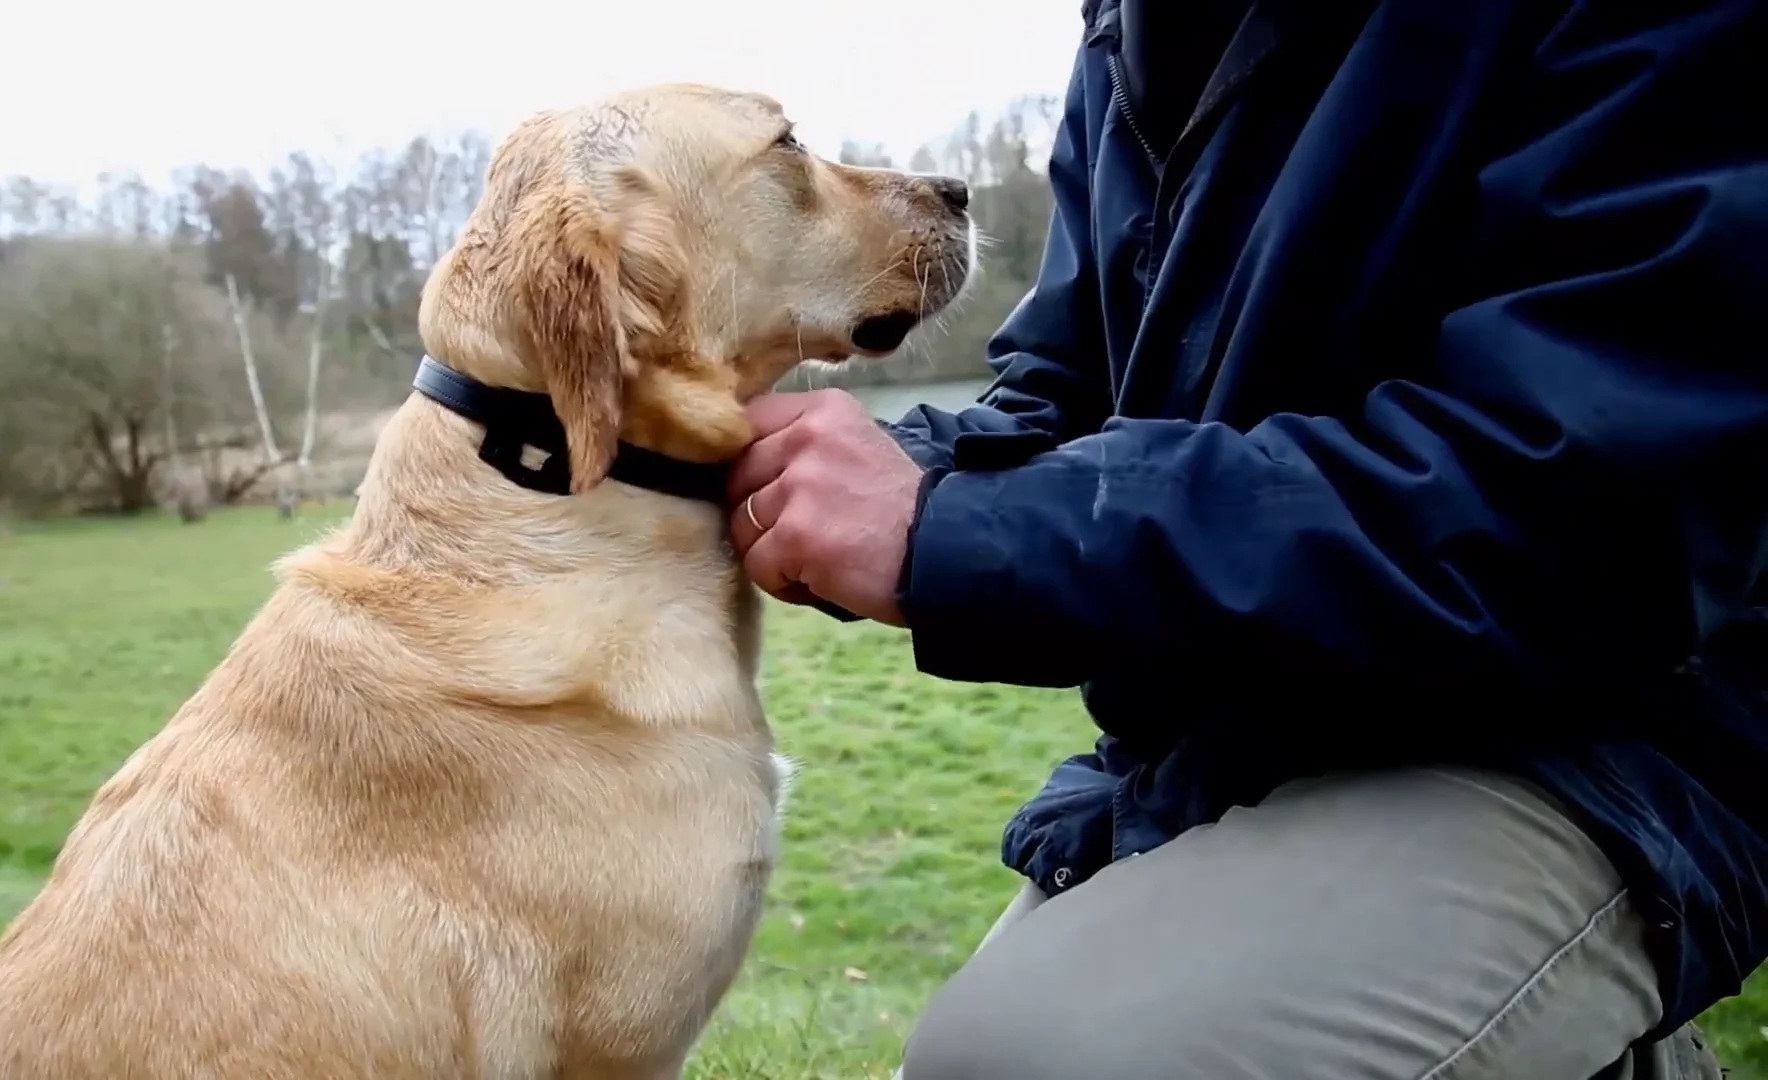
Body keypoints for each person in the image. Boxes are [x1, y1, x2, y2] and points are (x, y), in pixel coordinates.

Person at [725, 1, 1766, 1077]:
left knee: (1028, 1062)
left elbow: (1583, 507)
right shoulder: (1134, 26)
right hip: (1255, 709)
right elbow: (1066, 391)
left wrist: (947, 529)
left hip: (1604, 738)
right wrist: (830, 475)